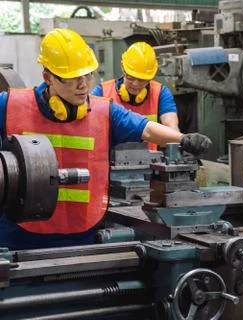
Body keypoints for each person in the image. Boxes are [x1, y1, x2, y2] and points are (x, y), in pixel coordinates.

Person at [0, 28, 211, 250]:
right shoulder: (10, 105)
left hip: (83, 234)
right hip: (18, 236)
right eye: (73, 79)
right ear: (48, 77)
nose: (83, 85)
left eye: (88, 75)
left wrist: (183, 138)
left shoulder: (103, 111)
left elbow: (145, 128)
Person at [92, 42, 179, 150]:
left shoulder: (161, 93)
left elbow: (172, 127)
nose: (135, 84)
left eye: (142, 80)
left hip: (150, 163)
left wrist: (181, 142)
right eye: (130, 77)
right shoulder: (102, 92)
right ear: (122, 67)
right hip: (110, 162)